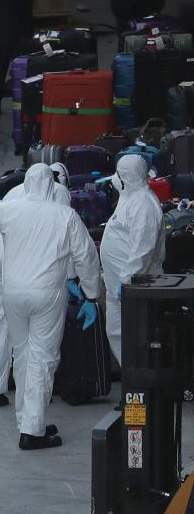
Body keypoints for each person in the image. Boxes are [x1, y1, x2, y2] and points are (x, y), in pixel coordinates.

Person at [0, 163, 101, 450]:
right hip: (47, 295)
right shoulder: (65, 215)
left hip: (13, 293)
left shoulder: (12, 208)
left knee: (22, 356)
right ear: (51, 184)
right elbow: (86, 256)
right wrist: (91, 294)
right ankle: (32, 430)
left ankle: (28, 419)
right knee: (42, 358)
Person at [0, 164, 72, 409]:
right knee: (37, 335)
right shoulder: (59, 192)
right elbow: (65, 237)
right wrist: (72, 278)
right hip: (23, 263)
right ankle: (35, 394)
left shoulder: (16, 190)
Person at [99, 155, 165, 365]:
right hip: (121, 286)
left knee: (136, 337)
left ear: (127, 177)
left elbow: (143, 248)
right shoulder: (131, 198)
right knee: (119, 335)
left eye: (119, 174)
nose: (115, 179)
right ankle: (132, 382)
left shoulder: (143, 204)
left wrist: (127, 280)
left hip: (134, 286)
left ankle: (139, 385)